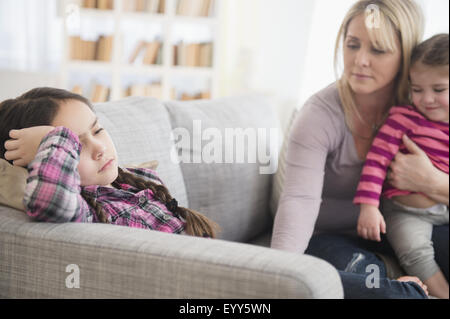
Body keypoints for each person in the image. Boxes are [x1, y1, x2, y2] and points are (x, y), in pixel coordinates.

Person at [271, 0, 448, 299]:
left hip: (401, 224)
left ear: (405, 55)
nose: (360, 60)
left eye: (377, 50)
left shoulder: (423, 100)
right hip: (330, 237)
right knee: (377, 287)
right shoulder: (318, 115)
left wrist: (432, 182)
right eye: (353, 45)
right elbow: (299, 201)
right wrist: (275, 274)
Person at [0, 87, 219, 238]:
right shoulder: (85, 210)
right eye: (76, 145)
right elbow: (51, 202)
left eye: (97, 130)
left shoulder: (141, 179)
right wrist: (56, 138)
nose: (99, 148)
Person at [354, 34, 449, 299]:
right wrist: (369, 207)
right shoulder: (403, 118)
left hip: (445, 207)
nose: (426, 99)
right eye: (417, 89)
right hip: (407, 212)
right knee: (413, 249)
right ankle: (442, 293)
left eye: (438, 90)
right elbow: (376, 160)